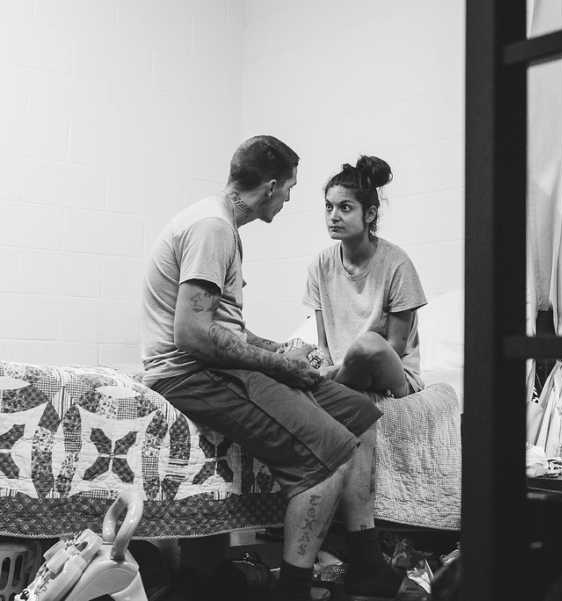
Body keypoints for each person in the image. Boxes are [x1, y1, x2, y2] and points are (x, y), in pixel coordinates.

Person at [139, 136, 403, 601]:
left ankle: (364, 561)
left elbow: (227, 329)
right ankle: (293, 590)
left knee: (358, 413)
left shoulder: (220, 225)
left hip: (211, 364)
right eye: (290, 190)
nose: (289, 199)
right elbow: (193, 336)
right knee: (331, 454)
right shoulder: (212, 228)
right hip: (188, 373)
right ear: (272, 185)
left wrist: (279, 351)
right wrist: (277, 365)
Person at [304, 156, 427, 399]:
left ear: (370, 214)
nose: (333, 216)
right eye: (329, 207)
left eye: (345, 207)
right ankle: (335, 389)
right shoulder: (321, 264)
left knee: (368, 344)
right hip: (346, 374)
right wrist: (323, 364)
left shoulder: (397, 264)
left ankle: (330, 390)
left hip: (393, 375)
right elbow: (324, 346)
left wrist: (333, 372)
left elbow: (393, 348)